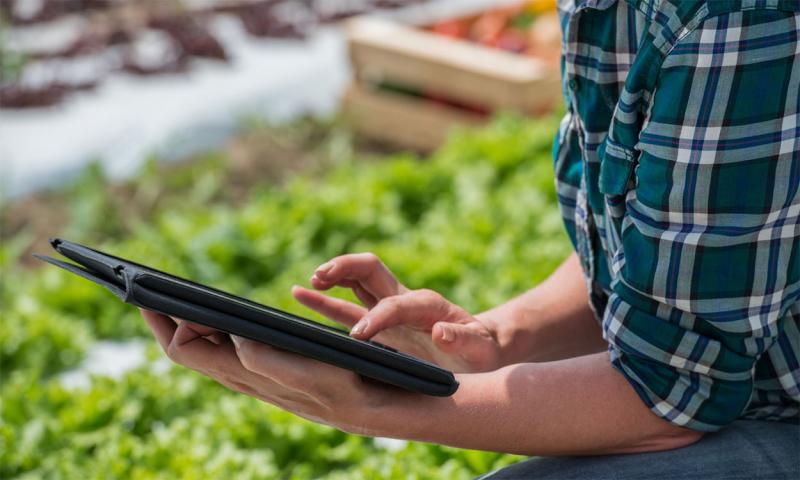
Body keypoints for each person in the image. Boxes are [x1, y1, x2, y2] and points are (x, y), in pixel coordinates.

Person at [141, 0, 800, 477]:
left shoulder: (740, 17)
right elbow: (667, 246)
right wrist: (493, 341)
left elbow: (671, 398)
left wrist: (378, 406)